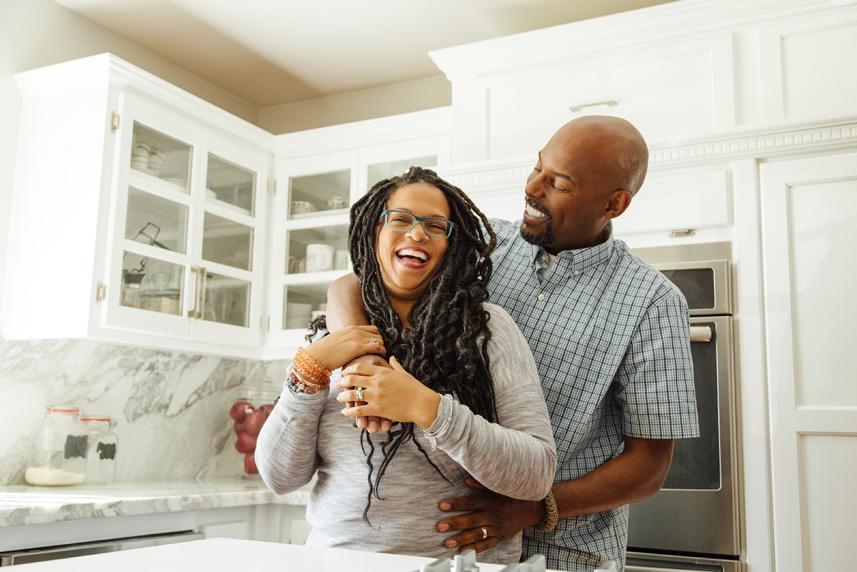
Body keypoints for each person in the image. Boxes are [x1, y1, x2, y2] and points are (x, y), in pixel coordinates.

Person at [326, 116, 699, 571]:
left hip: (568, 552)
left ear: (614, 203)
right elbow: (356, 281)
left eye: (558, 183)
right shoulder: (483, 244)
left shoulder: (652, 301)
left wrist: (535, 508)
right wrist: (364, 363)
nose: (532, 187)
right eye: (537, 167)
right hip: (457, 547)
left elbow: (648, 466)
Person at [255, 167, 557, 563]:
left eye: (436, 226)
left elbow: (536, 474)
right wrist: (306, 376)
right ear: (373, 232)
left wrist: (427, 408)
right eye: (400, 219)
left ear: (451, 245)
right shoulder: (328, 338)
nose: (417, 234)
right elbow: (279, 478)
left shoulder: (488, 329)